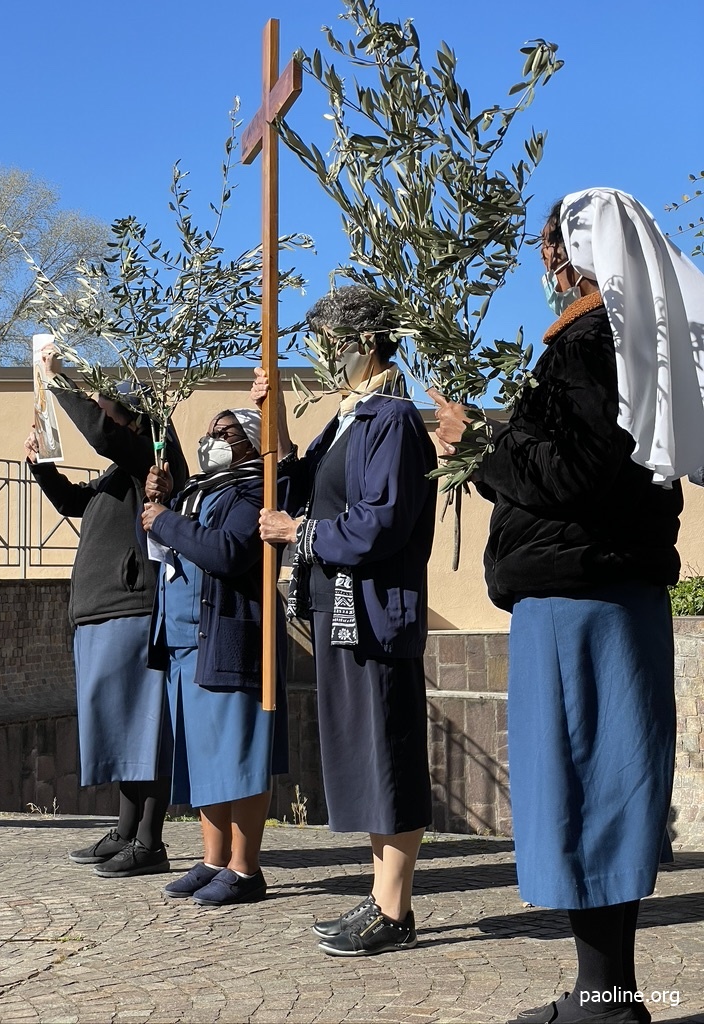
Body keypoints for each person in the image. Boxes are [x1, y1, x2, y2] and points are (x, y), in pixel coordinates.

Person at [432, 188, 704, 1024]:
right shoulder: (636, 342)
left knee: (585, 790)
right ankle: (607, 992)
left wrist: (479, 442)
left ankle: (605, 999)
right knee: (605, 790)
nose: (545, 258)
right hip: (609, 596)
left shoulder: (590, 344)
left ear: (583, 248)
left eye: (552, 241)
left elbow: (570, 474)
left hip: (579, 600)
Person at [253, 285, 437, 956]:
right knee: (365, 755)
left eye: (329, 342)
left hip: (375, 615)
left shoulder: (392, 419)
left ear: (364, 343)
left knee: (389, 755)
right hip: (341, 612)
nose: (322, 355)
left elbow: (379, 522)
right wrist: (273, 417)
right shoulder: (347, 420)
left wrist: (298, 534)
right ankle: (382, 895)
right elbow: (302, 482)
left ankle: (396, 909)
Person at [25, 349, 188, 878]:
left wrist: (57, 381)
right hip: (102, 611)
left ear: (135, 421)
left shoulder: (154, 460)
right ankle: (125, 831)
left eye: (108, 408)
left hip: (131, 608)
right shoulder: (121, 472)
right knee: (121, 729)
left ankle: (150, 841)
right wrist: (42, 467)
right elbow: (75, 503)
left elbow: (102, 436)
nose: (100, 414)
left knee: (144, 729)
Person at [140, 407, 289, 907]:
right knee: (203, 756)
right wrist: (159, 504)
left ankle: (245, 868)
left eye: (223, 432)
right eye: (208, 433)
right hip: (185, 644)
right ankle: (212, 859)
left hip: (229, 637)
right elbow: (163, 543)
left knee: (238, 754)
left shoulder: (257, 489)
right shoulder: (196, 489)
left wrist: (166, 521)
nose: (211, 440)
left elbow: (228, 551)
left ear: (250, 440)